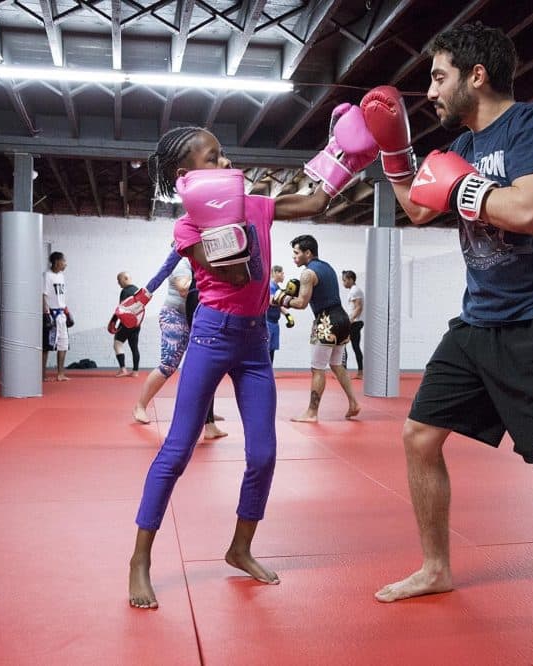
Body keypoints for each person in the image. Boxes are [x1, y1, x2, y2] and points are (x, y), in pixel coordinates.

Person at [359, 22, 533, 640]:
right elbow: (416, 207)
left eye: (438, 76)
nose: (430, 91)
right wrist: (396, 154)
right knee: (418, 437)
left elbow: (529, 213)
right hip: (476, 320)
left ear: (475, 76)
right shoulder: (459, 145)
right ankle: (436, 566)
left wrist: (456, 181)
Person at [128, 114, 374, 609]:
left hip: (255, 344)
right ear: (187, 176)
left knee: (263, 455)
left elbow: (314, 199)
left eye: (224, 152)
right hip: (213, 334)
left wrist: (347, 156)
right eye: (214, 157)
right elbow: (237, 276)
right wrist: (227, 214)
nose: (227, 161)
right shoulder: (186, 225)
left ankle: (240, 548)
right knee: (176, 449)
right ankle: (140, 560)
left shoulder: (255, 203)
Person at [129, 248, 227, 440]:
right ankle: (140, 405)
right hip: (174, 315)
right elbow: (184, 288)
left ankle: (207, 416)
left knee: (207, 364)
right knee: (168, 364)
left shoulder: (199, 263)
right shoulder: (181, 263)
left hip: (198, 316)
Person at [277, 235, 361, 422]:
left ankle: (312, 412)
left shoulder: (307, 273)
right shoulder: (327, 267)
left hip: (326, 321)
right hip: (342, 318)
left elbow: (301, 303)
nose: (294, 257)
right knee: (336, 364)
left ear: (308, 253)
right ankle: (354, 403)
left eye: (297, 253)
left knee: (317, 369)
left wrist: (281, 299)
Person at [43, 251, 73, 382]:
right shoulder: (46, 276)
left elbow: (62, 296)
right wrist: (46, 313)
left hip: (61, 314)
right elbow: (43, 295)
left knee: (63, 344)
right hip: (51, 313)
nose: (65, 264)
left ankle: (60, 373)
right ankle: (42, 374)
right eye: (63, 261)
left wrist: (67, 311)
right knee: (47, 346)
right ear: (56, 262)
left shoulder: (61, 276)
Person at [113, 272, 142, 377]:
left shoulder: (125, 291)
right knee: (134, 347)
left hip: (126, 324)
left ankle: (123, 369)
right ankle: (135, 372)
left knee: (117, 343)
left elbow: (121, 309)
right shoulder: (138, 291)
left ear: (125, 278)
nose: (118, 283)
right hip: (137, 323)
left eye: (119, 280)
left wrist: (113, 322)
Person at [266, 265, 295, 363]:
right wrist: (286, 298)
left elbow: (279, 304)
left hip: (274, 322)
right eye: (281, 273)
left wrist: (287, 315)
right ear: (275, 272)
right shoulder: (270, 286)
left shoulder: (277, 287)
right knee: (266, 349)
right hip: (267, 322)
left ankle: (270, 370)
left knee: (272, 349)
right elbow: (271, 301)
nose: (283, 275)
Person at [341, 270, 364, 379]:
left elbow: (358, 307)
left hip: (354, 323)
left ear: (350, 279)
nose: (343, 283)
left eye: (344, 280)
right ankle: (359, 372)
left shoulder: (355, 291)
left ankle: (344, 372)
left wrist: (349, 320)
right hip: (355, 322)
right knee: (354, 346)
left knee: (342, 344)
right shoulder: (354, 290)